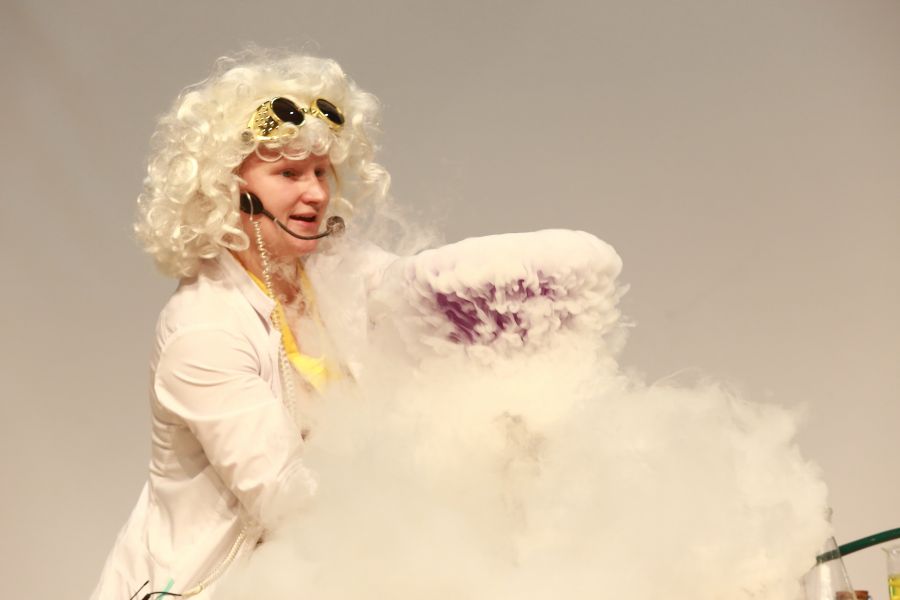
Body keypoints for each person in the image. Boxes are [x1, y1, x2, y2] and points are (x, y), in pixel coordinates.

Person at [91, 51, 397, 600]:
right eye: (288, 174)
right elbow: (286, 496)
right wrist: (416, 524)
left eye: (320, 171)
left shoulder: (332, 272)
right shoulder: (203, 330)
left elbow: (428, 290)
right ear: (228, 188)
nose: (316, 193)